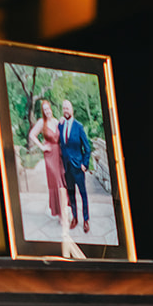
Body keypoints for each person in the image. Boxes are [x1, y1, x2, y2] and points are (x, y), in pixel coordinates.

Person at [29, 98, 66, 220]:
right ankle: (60, 214)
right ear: (43, 112)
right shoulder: (41, 122)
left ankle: (64, 209)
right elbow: (32, 135)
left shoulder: (56, 121)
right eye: (44, 110)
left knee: (63, 181)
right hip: (50, 155)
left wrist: (62, 120)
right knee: (56, 183)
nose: (47, 111)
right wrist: (42, 147)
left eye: (48, 109)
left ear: (51, 109)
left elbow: (63, 133)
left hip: (59, 154)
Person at [59, 98, 91, 233]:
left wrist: (85, 163)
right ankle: (75, 218)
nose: (66, 110)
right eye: (64, 108)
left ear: (72, 110)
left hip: (78, 168)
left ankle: (85, 220)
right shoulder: (60, 125)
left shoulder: (79, 127)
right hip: (67, 168)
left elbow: (87, 147)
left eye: (68, 108)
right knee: (71, 194)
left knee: (83, 194)